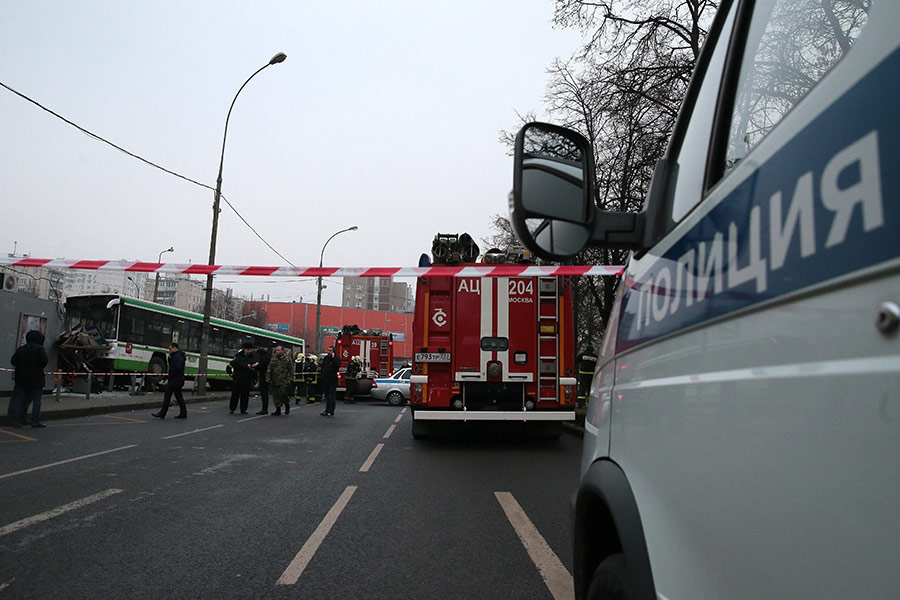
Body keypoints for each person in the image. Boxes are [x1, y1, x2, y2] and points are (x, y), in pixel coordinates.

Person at [9, 330, 49, 428]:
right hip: (36, 379)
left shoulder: (21, 349)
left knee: (20, 400)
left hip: (21, 379)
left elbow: (13, 361)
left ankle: (16, 420)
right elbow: (44, 362)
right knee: (36, 400)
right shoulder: (40, 349)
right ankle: (35, 421)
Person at [152, 342, 187, 419]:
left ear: (175, 348)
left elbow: (176, 368)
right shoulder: (177, 356)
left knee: (167, 395)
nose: (169, 351)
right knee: (179, 396)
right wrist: (169, 359)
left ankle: (162, 413)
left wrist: (171, 376)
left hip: (175, 380)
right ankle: (183, 413)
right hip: (178, 379)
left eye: (170, 349)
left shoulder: (178, 356)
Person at [227, 342, 257, 414]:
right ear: (244, 349)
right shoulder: (238, 356)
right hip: (238, 379)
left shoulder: (252, 357)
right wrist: (230, 373)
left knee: (245, 396)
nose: (249, 351)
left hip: (247, 379)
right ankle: (232, 408)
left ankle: (243, 409)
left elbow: (254, 364)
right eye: (247, 349)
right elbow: (233, 364)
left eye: (250, 350)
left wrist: (253, 373)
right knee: (235, 395)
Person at [266, 345, 294, 416]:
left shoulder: (287, 359)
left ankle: (286, 404)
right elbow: (269, 368)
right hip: (274, 380)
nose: (277, 352)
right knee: (275, 395)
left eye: (278, 350)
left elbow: (291, 369)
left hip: (283, 380)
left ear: (282, 351)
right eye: (276, 350)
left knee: (282, 394)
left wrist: (291, 378)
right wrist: (268, 378)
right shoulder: (273, 358)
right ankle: (277, 410)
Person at [319, 346, 340, 417]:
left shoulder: (336, 358)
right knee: (327, 396)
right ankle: (326, 410)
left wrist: (333, 358)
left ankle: (331, 411)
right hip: (326, 381)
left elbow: (337, 366)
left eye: (330, 350)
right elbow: (323, 368)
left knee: (332, 396)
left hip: (332, 381)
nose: (329, 352)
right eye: (328, 350)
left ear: (333, 351)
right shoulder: (326, 358)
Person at [255, 346, 271, 415]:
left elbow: (260, 366)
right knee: (267, 392)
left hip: (263, 377)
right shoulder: (269, 357)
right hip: (268, 377)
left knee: (264, 393)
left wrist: (255, 366)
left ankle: (264, 409)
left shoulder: (263, 358)